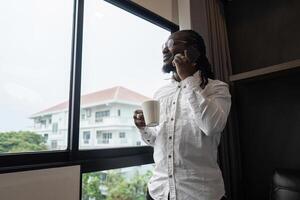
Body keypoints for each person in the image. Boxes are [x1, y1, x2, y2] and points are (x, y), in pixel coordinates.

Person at [133, 30, 231, 200]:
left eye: (171, 44)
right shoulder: (161, 93)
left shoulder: (216, 88)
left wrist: (187, 79)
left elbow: (212, 126)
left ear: (193, 51)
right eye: (163, 46)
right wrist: (143, 129)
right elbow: (157, 139)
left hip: (199, 193)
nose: (164, 50)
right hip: (158, 192)